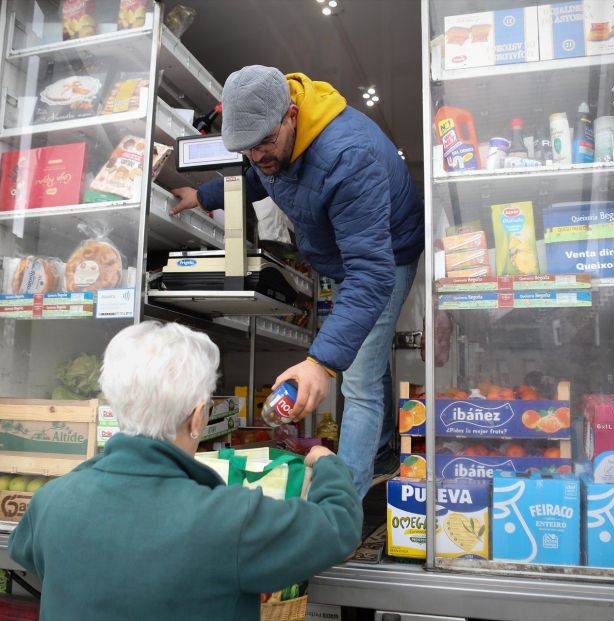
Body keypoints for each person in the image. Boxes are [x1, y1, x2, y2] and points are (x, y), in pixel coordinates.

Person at [171, 65, 424, 497]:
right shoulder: (267, 145)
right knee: (366, 353)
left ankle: (343, 503)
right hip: (346, 258)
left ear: (291, 114)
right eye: (249, 148)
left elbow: (371, 272)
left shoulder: (347, 155)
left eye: (266, 142)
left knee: (357, 380)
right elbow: (259, 176)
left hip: (386, 256)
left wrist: (321, 362)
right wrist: (203, 195)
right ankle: (382, 452)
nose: (260, 155)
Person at [8, 321, 362, 621]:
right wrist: (325, 463)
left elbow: (26, 551)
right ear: (197, 418)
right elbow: (338, 525)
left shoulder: (52, 501)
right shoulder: (230, 520)